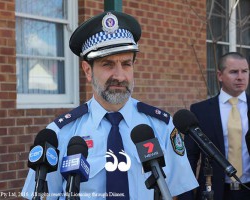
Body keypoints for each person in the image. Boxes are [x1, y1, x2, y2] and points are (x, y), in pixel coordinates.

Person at [22, 11, 198, 200]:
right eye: (108, 64)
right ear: (88, 70)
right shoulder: (61, 133)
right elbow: (42, 196)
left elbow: (177, 193)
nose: (120, 76)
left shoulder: (161, 127)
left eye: (126, 64)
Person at [178, 52, 250, 200]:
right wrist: (186, 195)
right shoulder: (201, 110)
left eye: (245, 71)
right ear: (219, 75)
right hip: (214, 192)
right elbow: (190, 156)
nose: (240, 77)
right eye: (233, 72)